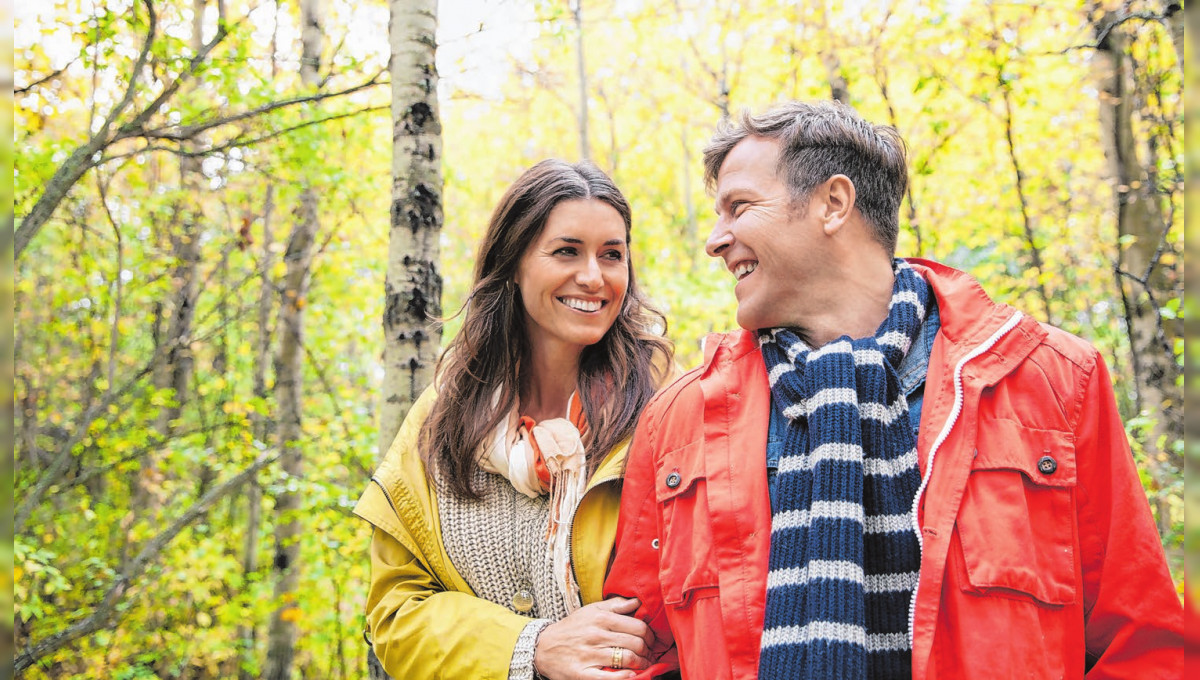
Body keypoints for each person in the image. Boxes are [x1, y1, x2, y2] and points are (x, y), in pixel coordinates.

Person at [604, 100, 1183, 679]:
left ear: (833, 204)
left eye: (739, 207)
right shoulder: (678, 418)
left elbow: (1142, 645)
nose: (715, 240)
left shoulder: (1054, 381)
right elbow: (639, 657)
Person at [355, 159, 674, 679]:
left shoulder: (666, 409)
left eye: (612, 255)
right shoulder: (441, 419)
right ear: (514, 262)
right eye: (566, 251)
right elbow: (395, 611)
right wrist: (531, 647)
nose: (593, 276)